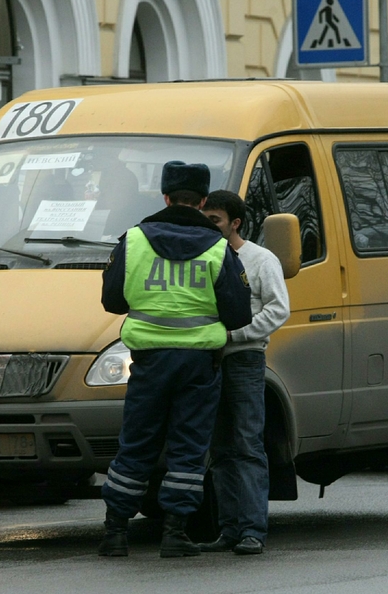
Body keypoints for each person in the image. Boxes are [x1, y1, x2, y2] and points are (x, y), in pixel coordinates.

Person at [98, 161, 253, 557]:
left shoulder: (133, 241)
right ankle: (175, 533)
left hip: (147, 361)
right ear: (202, 202)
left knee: (136, 442)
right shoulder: (219, 248)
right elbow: (239, 315)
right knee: (188, 446)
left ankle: (115, 532)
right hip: (199, 364)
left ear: (165, 198)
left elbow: (111, 300)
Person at [197, 190, 290, 556]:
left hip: (244, 360)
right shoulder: (204, 257)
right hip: (210, 361)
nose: (208, 225)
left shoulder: (260, 259)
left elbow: (278, 309)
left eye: (215, 220)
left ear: (235, 223)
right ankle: (229, 529)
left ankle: (253, 530)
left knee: (247, 445)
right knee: (219, 449)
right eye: (206, 218)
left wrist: (234, 335)